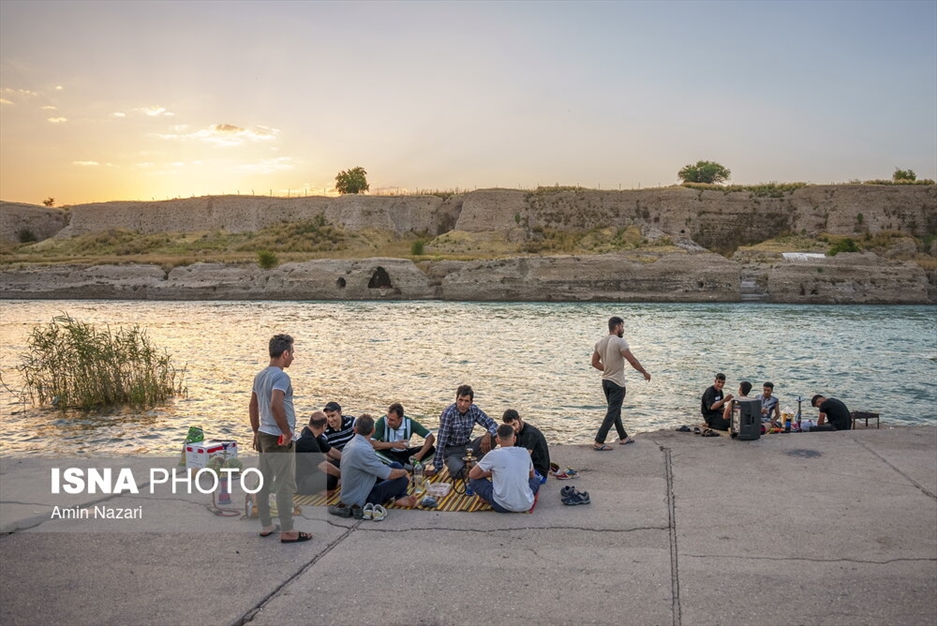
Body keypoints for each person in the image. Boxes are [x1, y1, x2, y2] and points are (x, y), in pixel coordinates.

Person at [249, 333, 311, 543]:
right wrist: (286, 432)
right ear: (285, 353)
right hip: (277, 437)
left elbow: (253, 405)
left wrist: (256, 431)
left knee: (264, 482)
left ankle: (266, 524)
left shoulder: (260, 375)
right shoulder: (281, 377)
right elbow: (276, 404)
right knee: (285, 484)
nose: (293, 357)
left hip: (264, 434)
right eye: (292, 353)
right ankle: (287, 530)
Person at [591, 315, 651, 450]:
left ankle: (623, 437)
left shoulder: (600, 342)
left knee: (615, 411)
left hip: (605, 381)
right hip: (617, 383)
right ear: (617, 326)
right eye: (622, 326)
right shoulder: (619, 342)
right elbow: (632, 360)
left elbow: (594, 363)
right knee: (612, 412)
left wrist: (607, 368)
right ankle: (599, 441)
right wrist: (644, 372)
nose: (623, 329)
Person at [339, 414, 417, 508]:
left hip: (356, 488)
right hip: (363, 499)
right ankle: (401, 497)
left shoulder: (351, 443)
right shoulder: (363, 449)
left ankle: (401, 497)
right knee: (403, 480)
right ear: (373, 430)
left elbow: (379, 469)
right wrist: (405, 472)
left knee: (396, 464)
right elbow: (389, 474)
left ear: (355, 430)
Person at [427, 384, 499, 478]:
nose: (462, 404)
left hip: (468, 447)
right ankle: (472, 466)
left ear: (471, 402)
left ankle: (475, 464)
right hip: (452, 452)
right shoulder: (448, 413)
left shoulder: (474, 410)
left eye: (466, 401)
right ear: (456, 399)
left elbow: (494, 425)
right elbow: (441, 441)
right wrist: (437, 466)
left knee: (495, 436)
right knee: (458, 471)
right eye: (460, 400)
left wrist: (488, 434)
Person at [468, 424, 541, 513]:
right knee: (536, 479)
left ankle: (490, 499)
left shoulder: (493, 454)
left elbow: (472, 474)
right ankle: (521, 497)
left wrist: (491, 473)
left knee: (473, 481)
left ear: (497, 440)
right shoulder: (525, 452)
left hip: (501, 506)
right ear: (514, 439)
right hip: (526, 504)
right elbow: (531, 475)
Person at [371, 402, 436, 466]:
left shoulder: (410, 423)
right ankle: (408, 466)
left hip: (404, 453)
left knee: (431, 449)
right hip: (388, 453)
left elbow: (430, 437)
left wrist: (420, 454)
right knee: (376, 452)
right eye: (387, 418)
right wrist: (394, 444)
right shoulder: (381, 422)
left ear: (400, 419)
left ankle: (410, 464)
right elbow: (371, 443)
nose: (388, 422)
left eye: (392, 420)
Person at [295, 411, 341, 496]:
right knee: (331, 478)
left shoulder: (311, 432)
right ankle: (318, 492)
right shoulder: (307, 441)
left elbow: (331, 451)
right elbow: (324, 467)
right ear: (324, 426)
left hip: (310, 471)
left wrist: (346, 459)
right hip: (300, 480)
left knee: (339, 463)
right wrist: (342, 475)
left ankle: (325, 489)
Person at [502, 409, 550, 480]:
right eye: (510, 427)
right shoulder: (516, 432)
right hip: (528, 468)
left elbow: (524, 457)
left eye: (514, 424)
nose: (513, 428)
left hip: (539, 472)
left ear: (519, 419)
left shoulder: (530, 433)